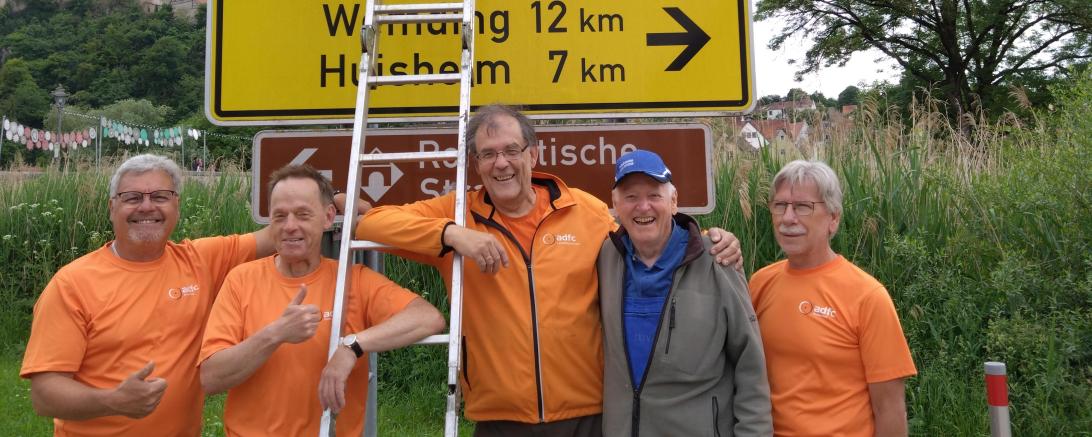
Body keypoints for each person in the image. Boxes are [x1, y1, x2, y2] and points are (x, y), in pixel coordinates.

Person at [350, 104, 742, 436]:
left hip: (586, 413)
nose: (501, 163)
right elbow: (370, 224)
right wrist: (453, 234)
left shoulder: (582, 210)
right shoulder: (455, 213)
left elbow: (650, 238)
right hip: (498, 417)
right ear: (477, 163)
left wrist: (709, 240)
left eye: (511, 150)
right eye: (488, 154)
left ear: (532, 155)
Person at [20, 154, 276, 436]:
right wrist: (113, 401)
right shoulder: (72, 284)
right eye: (132, 197)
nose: (146, 206)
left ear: (176, 205)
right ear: (112, 207)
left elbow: (279, 233)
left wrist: (332, 205)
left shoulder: (201, 261)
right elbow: (44, 395)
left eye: (160, 196)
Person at [198, 164, 445, 436]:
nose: (290, 226)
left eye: (303, 215)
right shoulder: (241, 280)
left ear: (328, 217)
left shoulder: (353, 280)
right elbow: (211, 377)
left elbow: (428, 317)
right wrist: (275, 334)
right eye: (280, 216)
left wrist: (352, 347)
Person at [598, 150, 772, 436]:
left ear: (674, 202)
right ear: (615, 206)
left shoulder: (717, 260)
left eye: (654, 195)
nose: (643, 207)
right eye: (630, 197)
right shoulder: (607, 257)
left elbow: (750, 365)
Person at [748, 160, 917, 436]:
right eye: (780, 206)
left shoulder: (868, 296)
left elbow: (890, 409)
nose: (788, 218)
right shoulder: (760, 283)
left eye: (803, 206)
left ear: (833, 218)